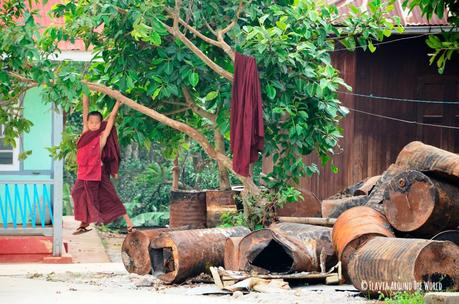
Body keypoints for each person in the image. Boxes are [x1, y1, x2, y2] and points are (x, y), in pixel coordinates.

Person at [71, 95, 134, 235]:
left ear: (100, 124)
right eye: (91, 122)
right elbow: (85, 113)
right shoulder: (85, 134)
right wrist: (84, 96)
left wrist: (117, 103)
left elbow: (111, 119)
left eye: (96, 123)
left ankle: (129, 224)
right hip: (83, 174)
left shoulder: (101, 137)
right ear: (87, 123)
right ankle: (84, 222)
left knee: (109, 196)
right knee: (76, 193)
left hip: (96, 174)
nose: (93, 125)